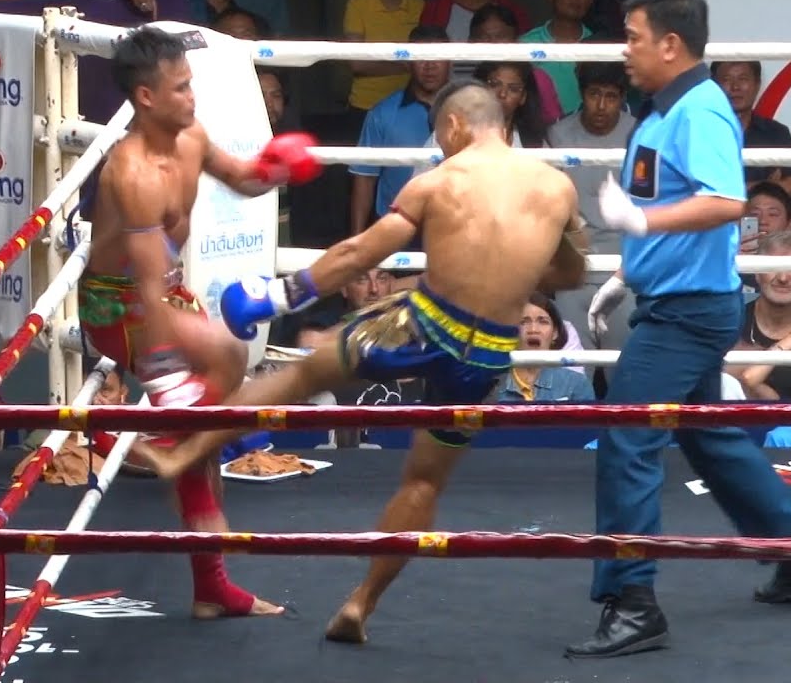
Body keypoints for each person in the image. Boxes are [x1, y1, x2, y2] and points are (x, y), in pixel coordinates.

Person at [132, 79, 591, 643]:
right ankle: (359, 605)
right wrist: (511, 263)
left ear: (453, 127)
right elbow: (570, 273)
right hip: (485, 354)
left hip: (422, 325)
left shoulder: (440, 181)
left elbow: (358, 253)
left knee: (301, 373)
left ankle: (187, 453)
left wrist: (279, 296)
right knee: (423, 482)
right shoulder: (557, 188)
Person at [564, 0, 791, 660]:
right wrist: (627, 269)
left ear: (671, 44)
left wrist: (638, 222)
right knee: (712, 438)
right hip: (678, 300)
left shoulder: (698, 110)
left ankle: (633, 600)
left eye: (634, 37)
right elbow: (672, 208)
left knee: (626, 436)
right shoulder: (664, 111)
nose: (626, 50)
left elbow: (727, 202)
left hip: (689, 313)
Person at [75, 24, 322, 619]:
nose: (193, 97)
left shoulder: (190, 136)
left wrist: (283, 167)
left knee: (198, 430)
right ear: (146, 98)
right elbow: (143, 286)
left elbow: (242, 178)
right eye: (182, 88)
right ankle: (168, 445)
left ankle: (208, 582)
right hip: (119, 304)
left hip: (164, 291)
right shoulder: (130, 174)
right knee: (217, 379)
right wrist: (166, 372)